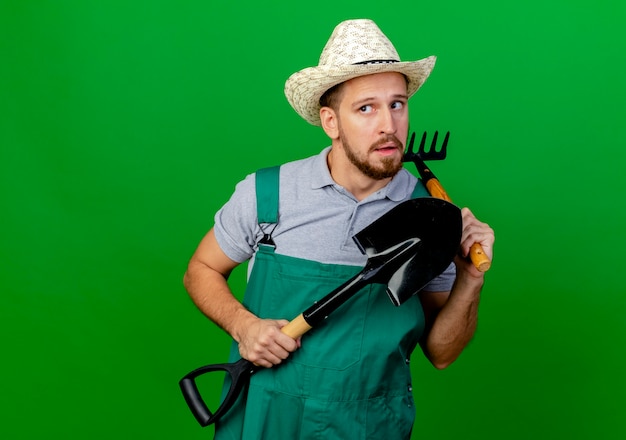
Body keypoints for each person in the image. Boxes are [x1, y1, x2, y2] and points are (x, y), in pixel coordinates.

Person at [183, 18, 495, 439]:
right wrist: (244, 325)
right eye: (366, 107)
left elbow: (442, 353)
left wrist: (471, 277)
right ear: (330, 122)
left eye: (397, 104)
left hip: (369, 424)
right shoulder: (268, 194)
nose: (388, 124)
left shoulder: (429, 218)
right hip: (267, 415)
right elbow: (200, 269)